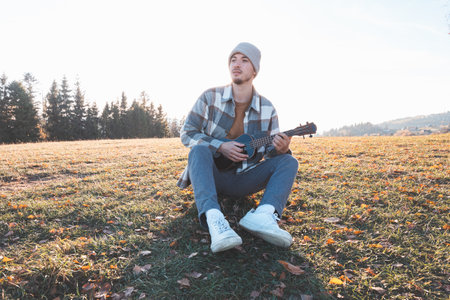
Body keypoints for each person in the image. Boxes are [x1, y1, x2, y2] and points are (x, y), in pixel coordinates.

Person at [177, 42, 299, 253]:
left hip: (244, 179)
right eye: (233, 59)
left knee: (289, 161)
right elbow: (187, 133)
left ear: (254, 70)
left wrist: (280, 149)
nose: (237, 64)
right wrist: (221, 146)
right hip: (210, 176)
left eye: (244, 60)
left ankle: (263, 216)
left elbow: (270, 156)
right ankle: (215, 221)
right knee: (198, 150)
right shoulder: (209, 97)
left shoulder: (267, 109)